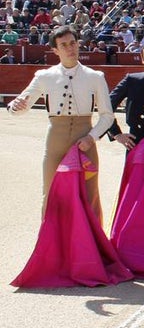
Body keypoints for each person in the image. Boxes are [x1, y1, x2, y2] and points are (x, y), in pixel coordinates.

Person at [8, 25, 114, 219]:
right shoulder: (44, 76)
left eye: (72, 43)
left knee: (89, 193)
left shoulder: (95, 77)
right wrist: (16, 107)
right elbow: (19, 107)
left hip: (85, 140)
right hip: (55, 141)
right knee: (50, 192)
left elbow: (107, 116)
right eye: (63, 45)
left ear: (78, 44)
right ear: (55, 50)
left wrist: (91, 138)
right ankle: (51, 246)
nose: (70, 48)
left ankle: (92, 246)